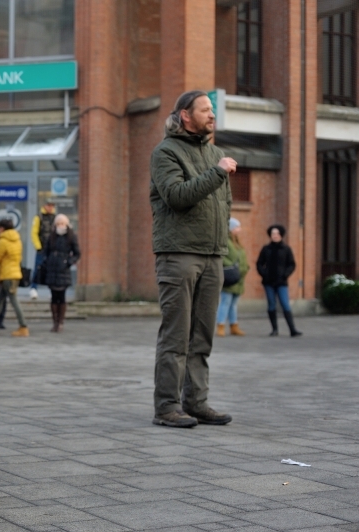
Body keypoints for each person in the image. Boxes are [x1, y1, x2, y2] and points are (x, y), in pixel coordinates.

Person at [150, 90, 235, 429]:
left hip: (212, 255)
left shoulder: (215, 153)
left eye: (212, 109)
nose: (212, 114)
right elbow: (176, 196)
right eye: (205, 109)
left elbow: (223, 206)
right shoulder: (166, 152)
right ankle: (167, 407)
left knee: (202, 336)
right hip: (179, 254)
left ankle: (196, 402)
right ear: (185, 115)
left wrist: (221, 245)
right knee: (176, 336)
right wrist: (217, 173)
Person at [257, 224, 302, 337]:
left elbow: (291, 264)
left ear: (281, 235)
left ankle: (292, 329)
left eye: (277, 233)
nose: (275, 235)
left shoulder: (286, 249)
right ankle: (274, 329)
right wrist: (264, 274)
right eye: (273, 233)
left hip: (281, 282)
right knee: (271, 305)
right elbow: (259, 263)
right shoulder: (266, 249)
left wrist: (285, 274)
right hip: (268, 282)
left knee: (285, 304)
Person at [43, 214, 80, 333]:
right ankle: (55, 322)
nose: (60, 226)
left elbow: (77, 253)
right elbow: (45, 251)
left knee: (61, 296)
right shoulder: (51, 236)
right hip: (52, 270)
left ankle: (61, 321)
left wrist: (68, 262)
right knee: (54, 297)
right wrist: (48, 261)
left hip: (63, 270)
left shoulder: (71, 236)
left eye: (62, 223)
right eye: (58, 223)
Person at [216, 218, 249, 337]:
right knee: (225, 302)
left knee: (233, 304)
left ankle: (234, 326)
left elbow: (242, 257)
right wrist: (230, 265)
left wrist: (245, 268)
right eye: (237, 227)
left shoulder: (237, 242)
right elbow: (221, 256)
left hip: (238, 278)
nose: (239, 229)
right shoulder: (225, 241)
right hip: (229, 277)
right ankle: (220, 325)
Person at [29, 201, 56, 300]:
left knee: (52, 270)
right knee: (38, 268)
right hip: (42, 248)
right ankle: (33, 288)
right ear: (44, 206)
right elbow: (34, 233)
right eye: (48, 205)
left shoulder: (55, 218)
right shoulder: (39, 217)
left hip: (52, 249)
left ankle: (52, 290)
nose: (50, 207)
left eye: (52, 205)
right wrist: (38, 247)